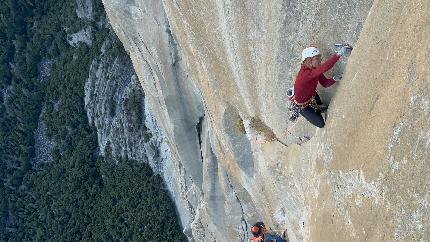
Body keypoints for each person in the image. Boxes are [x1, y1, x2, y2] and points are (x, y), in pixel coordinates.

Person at [290, 45, 351, 128]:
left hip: (311, 96)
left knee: (323, 107)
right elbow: (324, 68)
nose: (320, 61)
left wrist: (334, 79)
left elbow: (325, 83)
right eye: (317, 59)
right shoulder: (304, 74)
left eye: (320, 58)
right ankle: (312, 110)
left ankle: (318, 107)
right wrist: (339, 53)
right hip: (302, 105)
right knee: (321, 124)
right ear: (309, 60)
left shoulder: (314, 71)